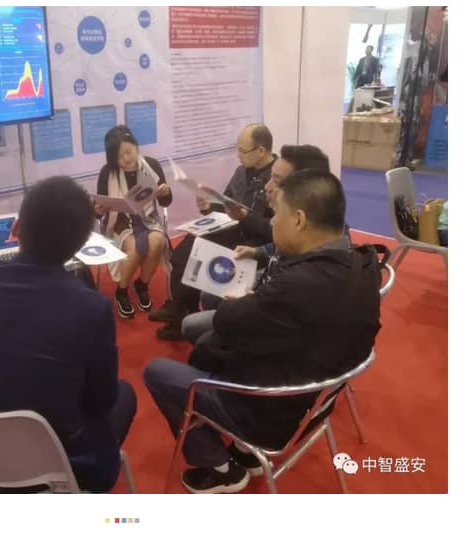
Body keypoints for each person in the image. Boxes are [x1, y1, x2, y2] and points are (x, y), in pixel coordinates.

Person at [144, 169, 382, 494]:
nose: (271, 223)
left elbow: (226, 324)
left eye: (276, 214)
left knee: (159, 371)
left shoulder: (293, 287)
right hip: (317, 404)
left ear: (298, 220)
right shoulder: (363, 264)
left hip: (270, 412)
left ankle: (220, 467)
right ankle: (244, 452)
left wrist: (243, 304)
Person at [0, 176, 137, 493]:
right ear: (80, 246)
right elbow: (102, 400)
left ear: (17, 228)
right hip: (50, 465)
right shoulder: (91, 308)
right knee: (125, 393)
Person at [184, 144, 332, 339]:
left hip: (269, 319)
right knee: (207, 294)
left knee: (194, 329)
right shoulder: (305, 228)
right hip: (265, 287)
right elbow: (274, 249)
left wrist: (254, 304)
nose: (267, 187)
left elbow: (281, 321)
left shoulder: (311, 272)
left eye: (276, 181)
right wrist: (258, 252)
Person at [152, 123, 276, 340]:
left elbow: (272, 230)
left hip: (253, 239)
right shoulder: (241, 172)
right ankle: (179, 307)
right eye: (237, 149)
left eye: (242, 151)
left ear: (261, 150)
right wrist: (209, 205)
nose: (238, 155)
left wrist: (245, 217)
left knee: (201, 253)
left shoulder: (275, 180)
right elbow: (226, 203)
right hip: (231, 228)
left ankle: (182, 312)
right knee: (186, 248)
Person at [95, 125, 173, 319]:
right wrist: (98, 210)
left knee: (157, 241)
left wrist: (165, 192)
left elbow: (165, 202)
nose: (125, 159)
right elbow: (98, 211)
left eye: (128, 152)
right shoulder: (107, 172)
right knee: (135, 247)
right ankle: (121, 291)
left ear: (136, 146)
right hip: (119, 220)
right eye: (118, 157)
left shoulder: (151, 165)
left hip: (147, 217)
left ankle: (142, 284)